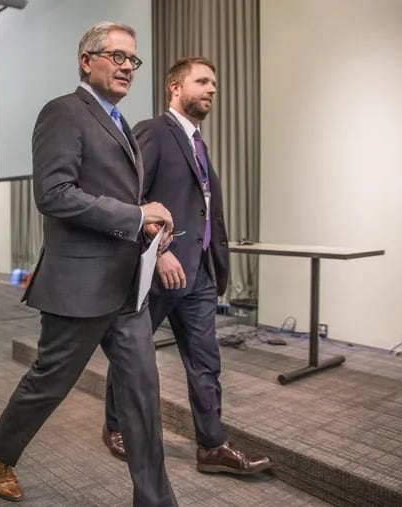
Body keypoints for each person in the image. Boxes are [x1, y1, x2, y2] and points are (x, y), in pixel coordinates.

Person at [0, 22, 178, 506]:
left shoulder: (121, 124)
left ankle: (155, 500)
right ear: (87, 60)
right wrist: (135, 215)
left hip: (127, 288)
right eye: (117, 56)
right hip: (79, 285)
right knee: (49, 384)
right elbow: (54, 195)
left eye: (133, 59)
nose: (127, 66)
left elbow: (109, 196)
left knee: (142, 395)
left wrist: (145, 224)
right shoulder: (63, 112)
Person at [101, 57, 272, 476]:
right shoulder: (155, 132)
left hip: (198, 275)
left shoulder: (199, 144)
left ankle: (211, 446)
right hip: (161, 271)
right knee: (134, 353)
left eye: (214, 82)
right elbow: (130, 199)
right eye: (202, 81)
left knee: (206, 360)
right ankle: (115, 427)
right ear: (174, 88)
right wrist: (160, 251)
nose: (212, 88)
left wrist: (214, 266)